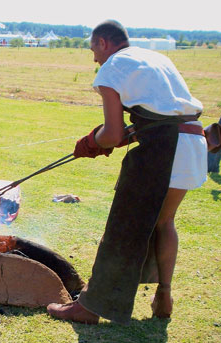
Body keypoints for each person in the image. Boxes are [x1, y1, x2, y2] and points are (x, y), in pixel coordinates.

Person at [47, 20, 207, 325]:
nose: (94, 58)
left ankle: (89, 309)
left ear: (104, 42)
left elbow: (112, 133)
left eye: (93, 48)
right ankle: (164, 297)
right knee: (164, 221)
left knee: (123, 226)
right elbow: (160, 114)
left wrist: (92, 142)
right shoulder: (156, 58)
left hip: (164, 150)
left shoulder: (111, 68)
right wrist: (116, 137)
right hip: (192, 141)